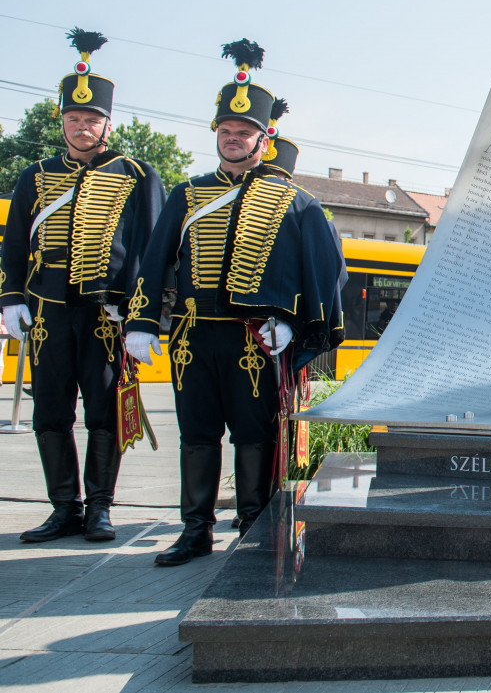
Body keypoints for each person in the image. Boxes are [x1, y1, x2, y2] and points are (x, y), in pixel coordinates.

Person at [123, 40, 344, 566]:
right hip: (194, 337)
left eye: (243, 132)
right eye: (225, 132)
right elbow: (154, 262)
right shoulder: (187, 193)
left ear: (262, 139)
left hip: (253, 340)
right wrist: (143, 321)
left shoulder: (293, 201)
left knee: (254, 434)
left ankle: (251, 526)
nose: (232, 140)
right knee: (197, 435)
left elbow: (324, 266)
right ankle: (195, 529)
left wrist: (293, 324)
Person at [1, 29, 165, 544]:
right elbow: (12, 247)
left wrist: (141, 317)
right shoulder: (35, 175)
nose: (82, 127)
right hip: (49, 312)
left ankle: (99, 508)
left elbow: (150, 253)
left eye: (91, 119)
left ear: (106, 123)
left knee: (102, 411)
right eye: (73, 118)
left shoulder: (138, 174)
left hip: (105, 315)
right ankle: (63, 508)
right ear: (62, 121)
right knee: (49, 412)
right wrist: (9, 299)